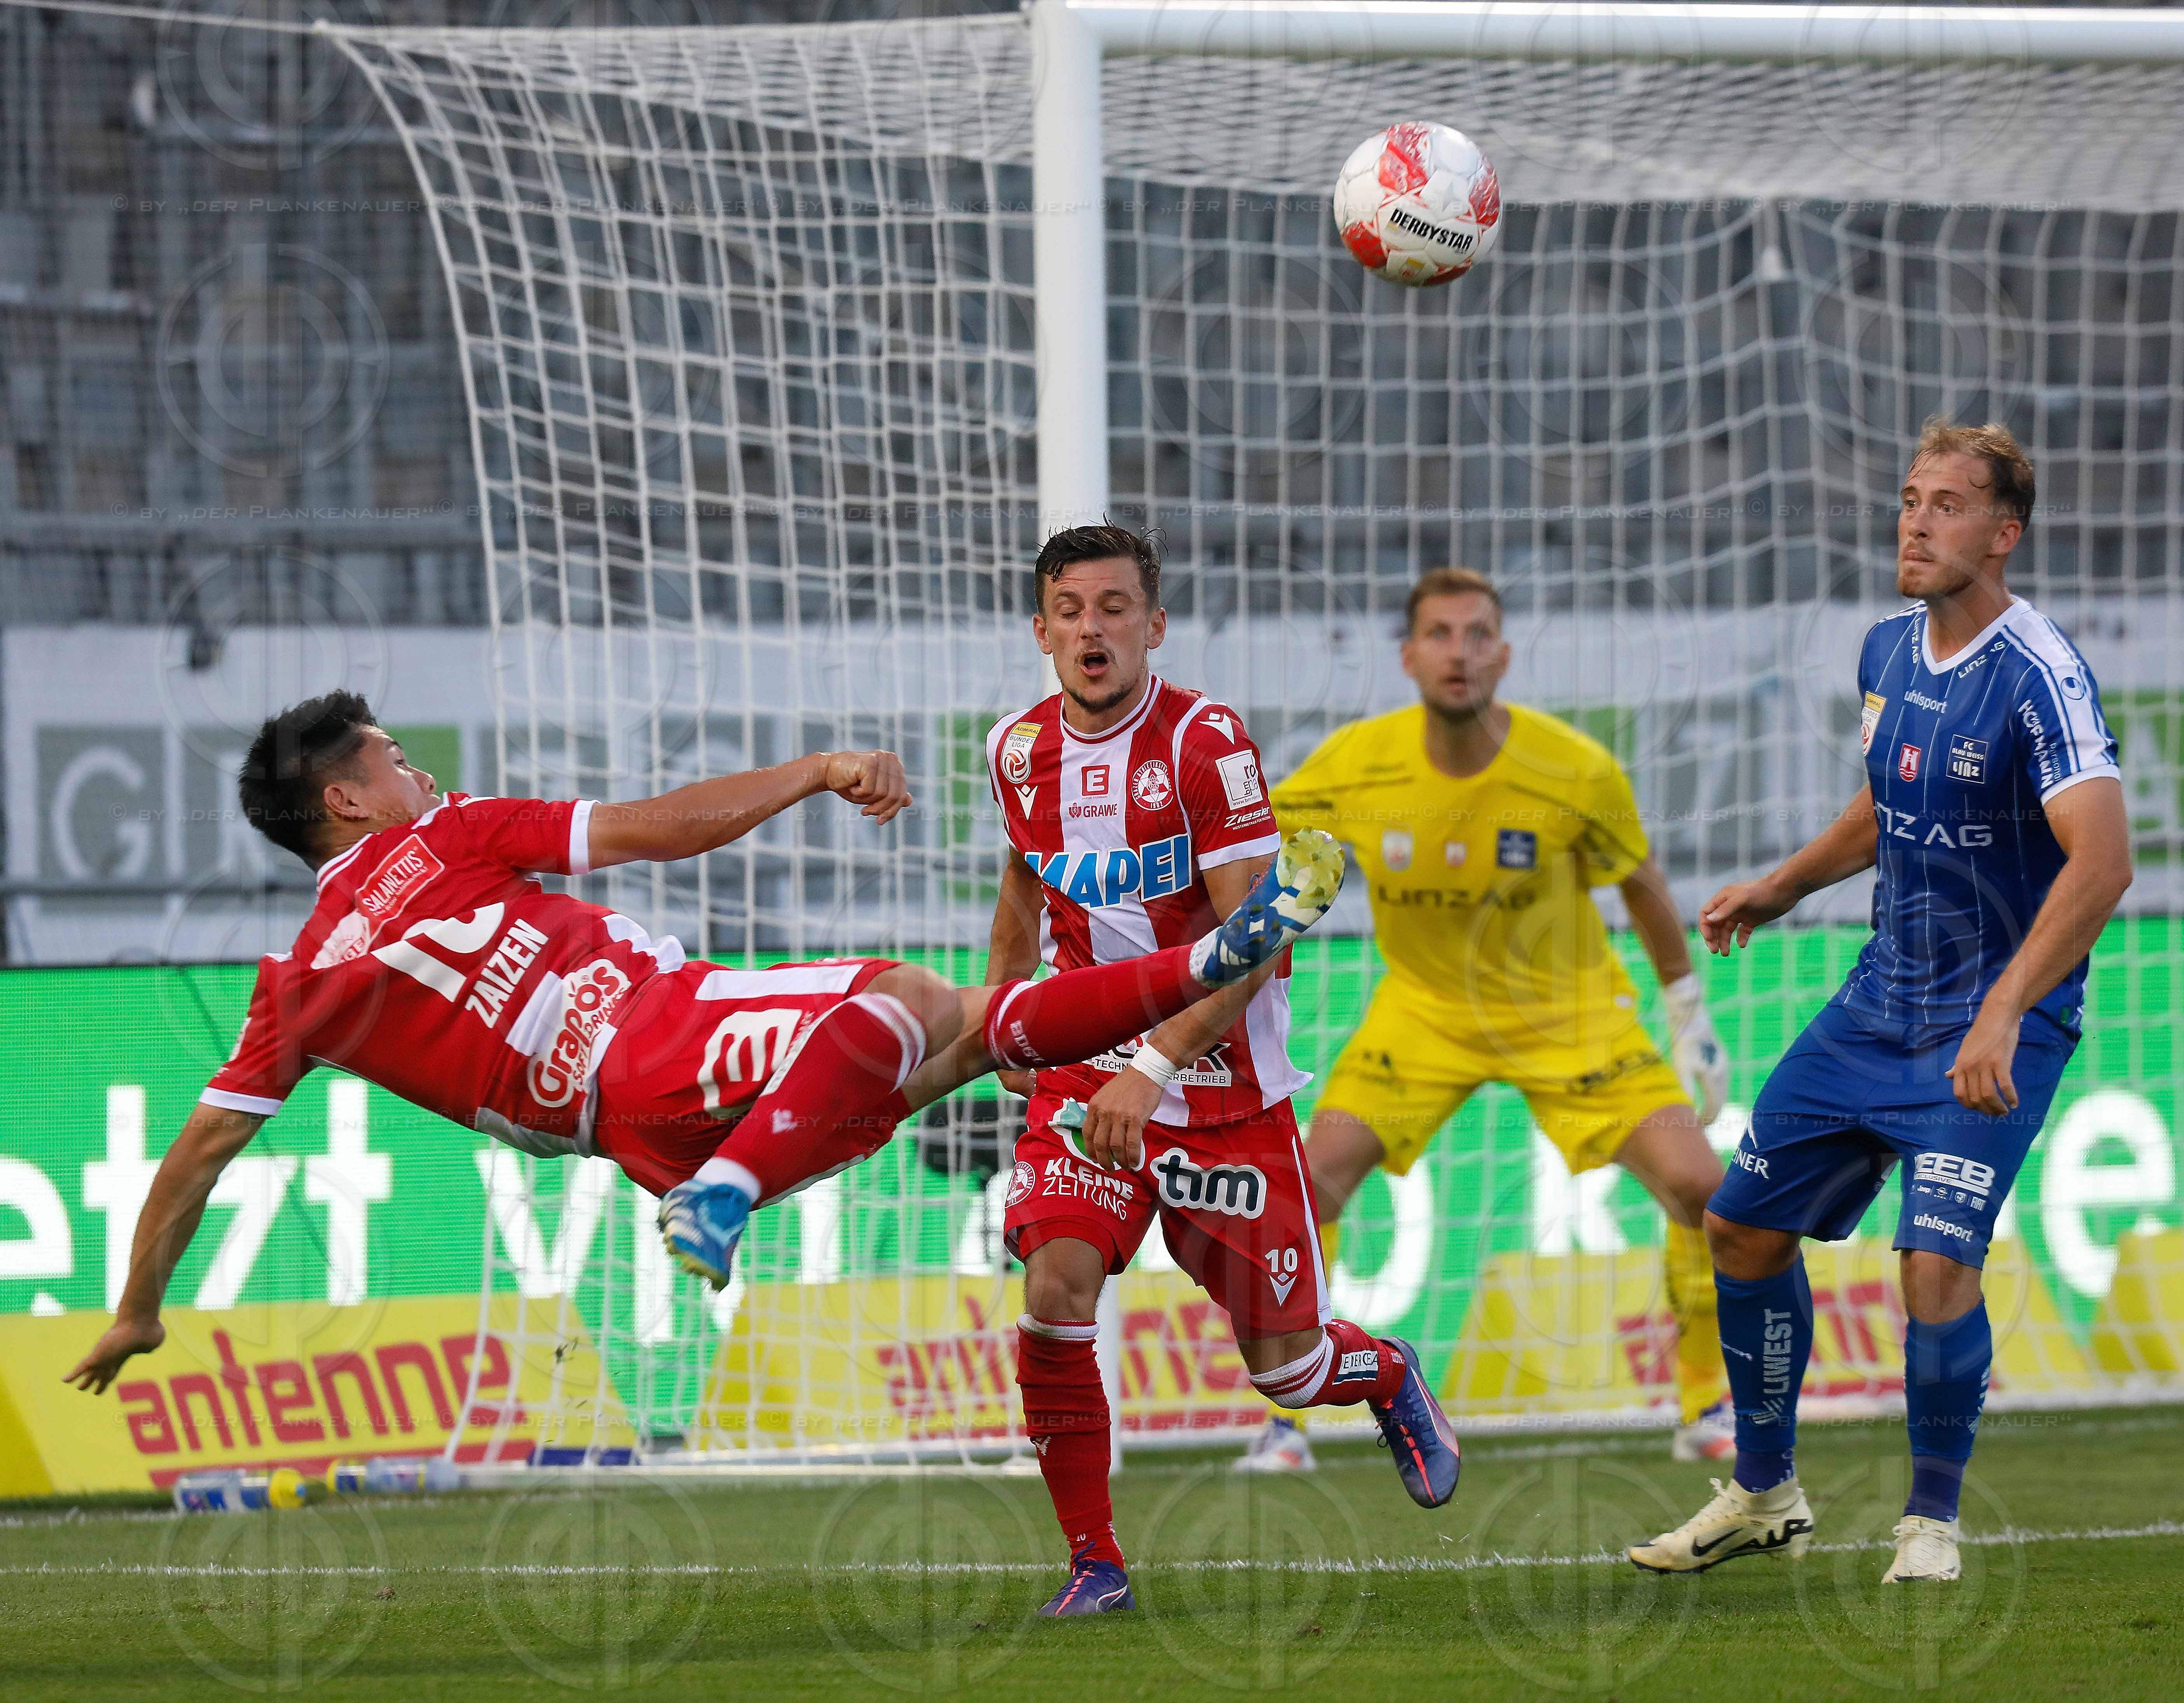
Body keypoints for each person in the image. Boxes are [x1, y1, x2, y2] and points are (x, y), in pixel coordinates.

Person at [65, 690, 1348, 1400]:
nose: (420, 773)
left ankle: (1205, 966)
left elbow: (192, 1161)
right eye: (395, 759)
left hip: (626, 1137)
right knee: (914, 998)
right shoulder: (446, 835)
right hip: (661, 1030)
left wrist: (136, 1313)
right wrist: (815, 768)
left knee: (974, 1040)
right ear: (348, 796)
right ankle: (731, 1191)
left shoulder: (297, 988)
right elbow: (657, 827)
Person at [1629, 419, 2132, 1584]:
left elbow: (2103, 861)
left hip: (1995, 1021)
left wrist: (2003, 1012)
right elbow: (1884, 797)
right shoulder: (1886, 649)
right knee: (1738, 1224)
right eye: (1910, 499)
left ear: (2003, 533)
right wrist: (1782, 884)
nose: (1915, 522)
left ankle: (1929, 1523)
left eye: (1947, 504)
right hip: (1877, 1005)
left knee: (1932, 1264)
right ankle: (1764, 1492)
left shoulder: (2040, 673)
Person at [986, 523, 1463, 1619]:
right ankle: (1095, 1562)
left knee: (1289, 1370)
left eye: (1114, 608)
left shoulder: (1206, 746)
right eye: (1071, 610)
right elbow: (1023, 885)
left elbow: (1259, 937)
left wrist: (1155, 1062)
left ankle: (1386, 1371)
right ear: (1042, 631)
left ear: (1153, 625)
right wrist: (1008, 1015)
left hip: (1217, 1092)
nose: (1093, 629)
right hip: (1087, 1073)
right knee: (1055, 1292)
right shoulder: (1015, 751)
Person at [1234, 566, 1737, 1476]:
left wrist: (1687, 1010)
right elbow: (1248, 843)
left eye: (1476, 635)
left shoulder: (1572, 766)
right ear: (1408, 655)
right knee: (1306, 1189)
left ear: (1503, 655)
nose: (1458, 653)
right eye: (1439, 634)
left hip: (1571, 1018)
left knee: (1702, 1190)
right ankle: (1286, 1420)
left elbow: (1642, 884)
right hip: (1423, 1014)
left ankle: (1705, 1403)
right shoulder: (1356, 762)